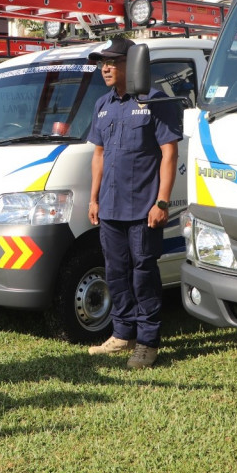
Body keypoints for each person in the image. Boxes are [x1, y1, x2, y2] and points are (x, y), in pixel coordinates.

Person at [85, 37, 183, 369]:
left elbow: (169, 153)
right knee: (115, 273)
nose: (106, 68)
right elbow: (98, 154)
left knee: (143, 274)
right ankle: (121, 334)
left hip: (143, 208)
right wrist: (94, 197)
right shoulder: (102, 105)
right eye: (102, 63)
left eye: (112, 61)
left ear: (134, 63)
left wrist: (162, 201)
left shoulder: (156, 102)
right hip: (110, 207)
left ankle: (147, 342)